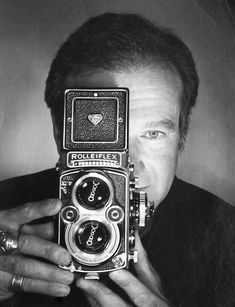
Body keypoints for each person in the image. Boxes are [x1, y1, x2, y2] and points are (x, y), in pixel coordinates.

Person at [0, 13, 234, 307]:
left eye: (152, 133)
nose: (126, 163)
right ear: (62, 133)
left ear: (182, 137)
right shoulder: (5, 206)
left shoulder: (228, 238)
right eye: (103, 136)